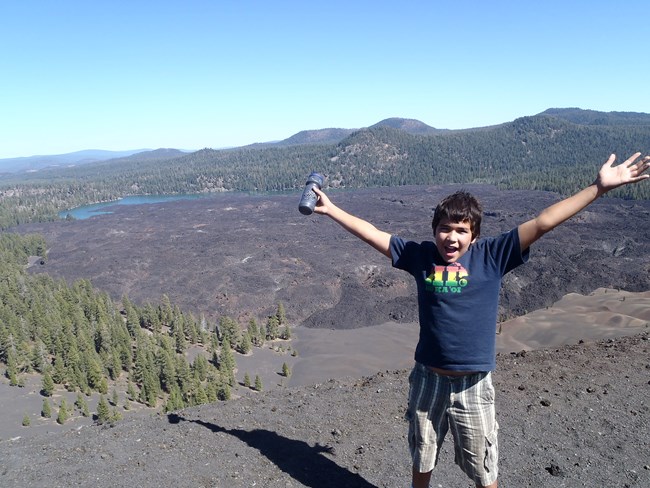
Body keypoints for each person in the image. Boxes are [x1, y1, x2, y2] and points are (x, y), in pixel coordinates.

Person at [311, 152, 649, 488]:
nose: (452, 238)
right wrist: (332, 209)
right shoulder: (421, 256)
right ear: (434, 231)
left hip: (474, 384)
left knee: (484, 467)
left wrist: (598, 188)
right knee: (422, 455)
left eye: (461, 230)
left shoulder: (493, 255)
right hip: (428, 378)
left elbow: (545, 221)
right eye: (444, 229)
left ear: (474, 235)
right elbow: (373, 233)